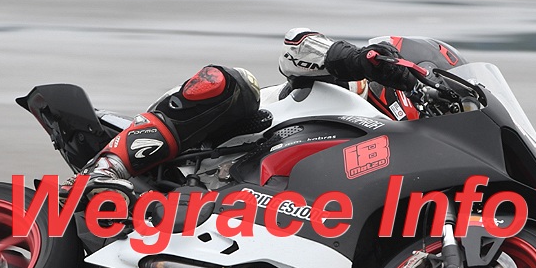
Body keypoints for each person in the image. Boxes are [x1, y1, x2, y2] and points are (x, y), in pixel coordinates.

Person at [66, 28, 417, 208]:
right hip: (209, 149)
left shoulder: (406, 158)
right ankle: (105, 170)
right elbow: (297, 44)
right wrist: (359, 60)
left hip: (264, 208)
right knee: (233, 82)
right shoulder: (352, 84)